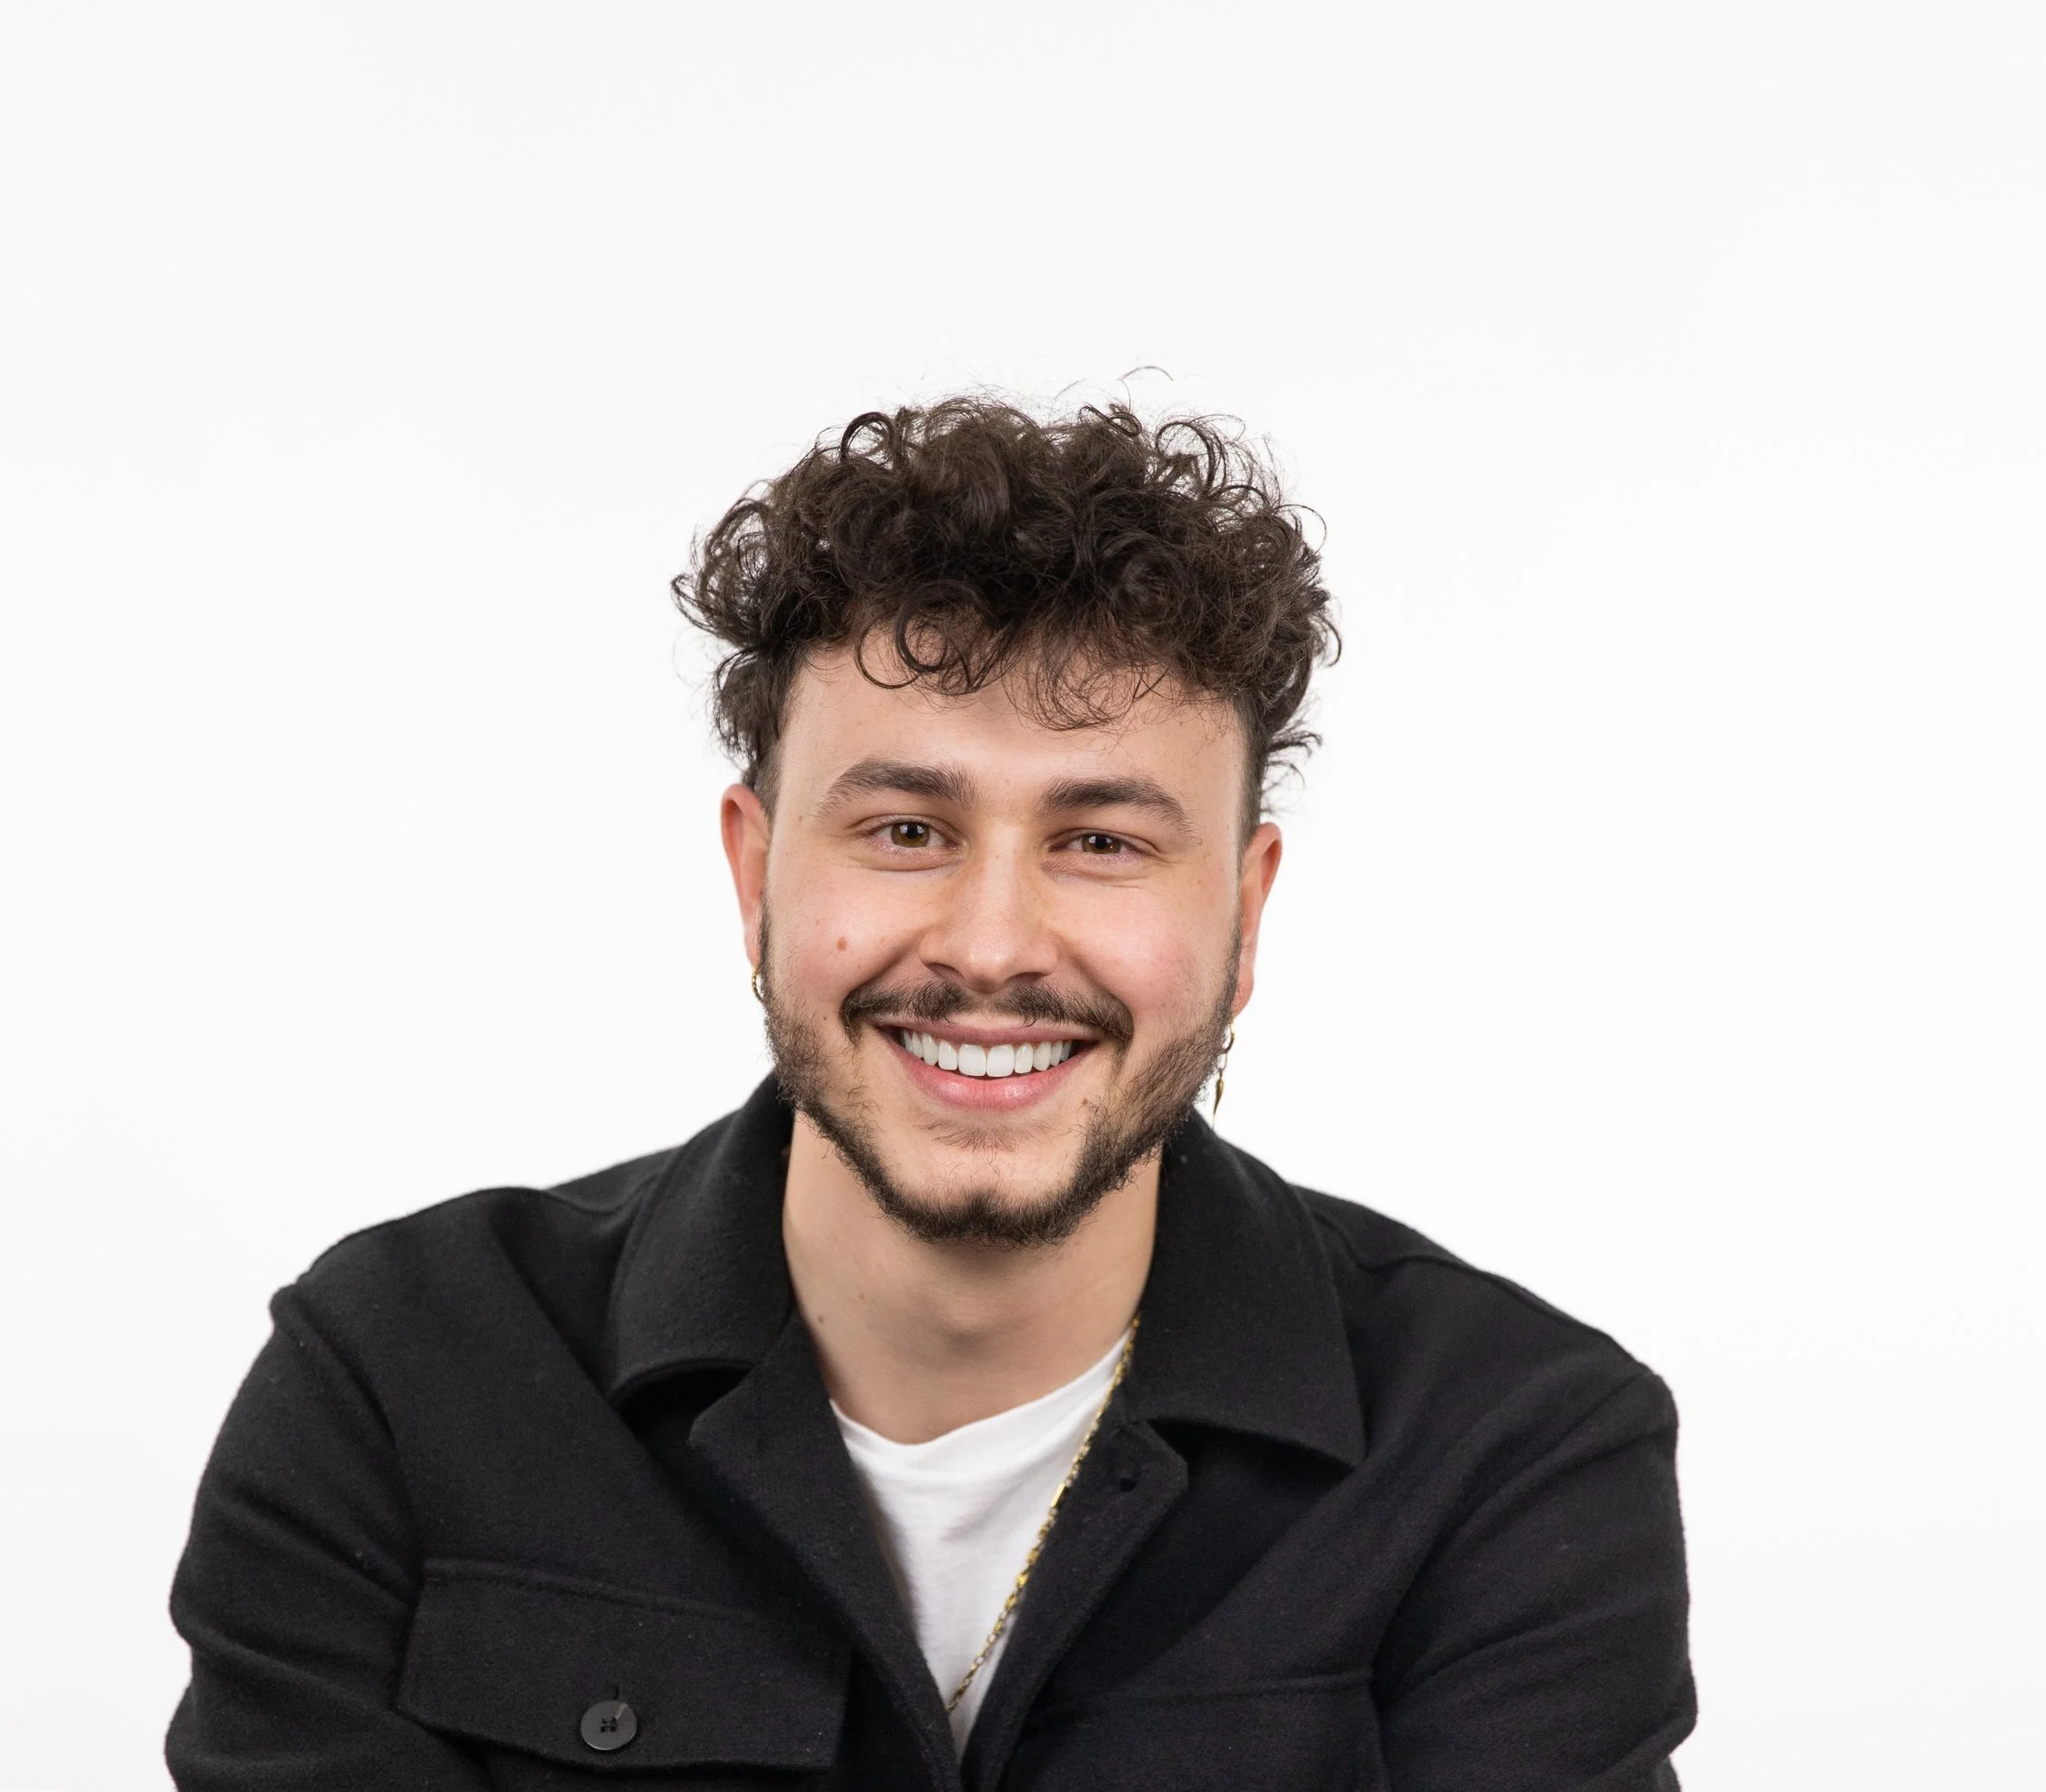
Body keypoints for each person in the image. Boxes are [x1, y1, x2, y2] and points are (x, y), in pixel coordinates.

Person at [166, 398, 1694, 1789]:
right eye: (905, 830)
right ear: (758, 874)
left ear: (1245, 914)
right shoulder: (397, 1387)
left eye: (1103, 842)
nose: (989, 945)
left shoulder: (1513, 1458)